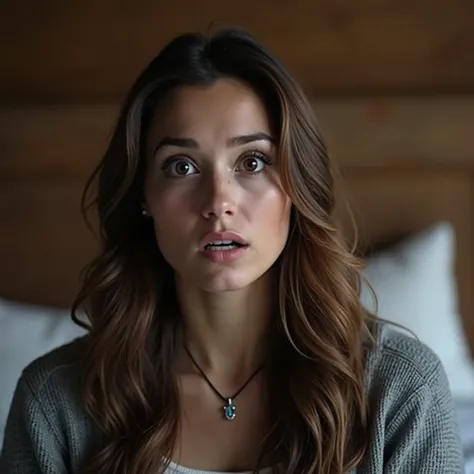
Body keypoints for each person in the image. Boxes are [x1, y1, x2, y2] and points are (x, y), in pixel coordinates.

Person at [0, 27, 464, 474]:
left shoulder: (402, 391)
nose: (219, 202)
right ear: (144, 196)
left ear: (297, 187)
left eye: (253, 162)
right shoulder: (54, 401)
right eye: (181, 166)